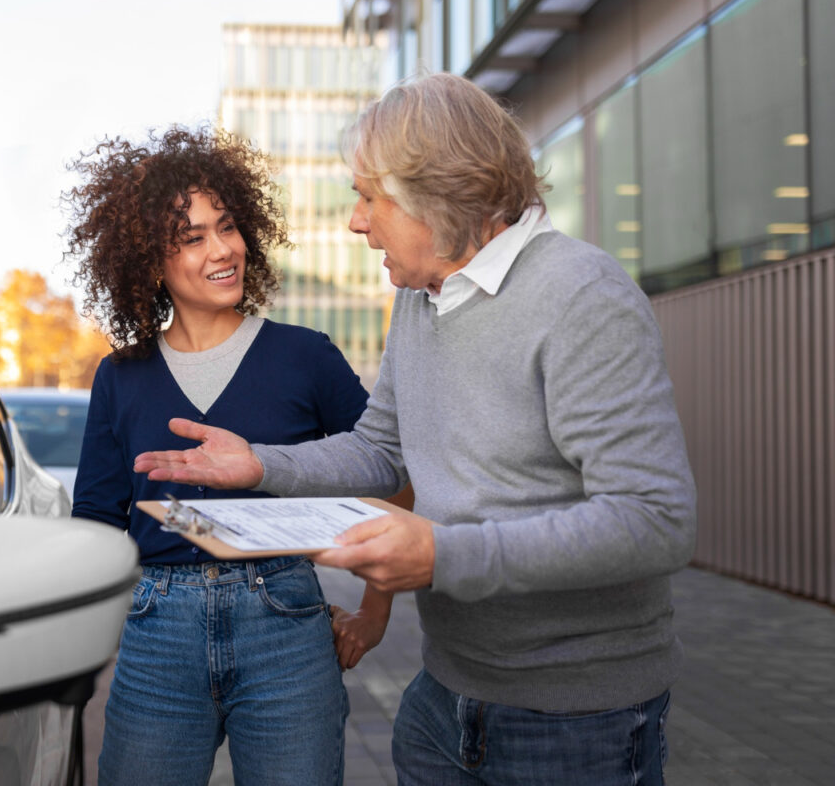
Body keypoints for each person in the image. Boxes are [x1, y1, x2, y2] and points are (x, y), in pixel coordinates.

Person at [134, 74, 697, 786]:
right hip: (443, 699)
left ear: (438, 194)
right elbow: (380, 449)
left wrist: (443, 557)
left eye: (370, 196)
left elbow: (655, 521)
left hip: (574, 720)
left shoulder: (583, 297)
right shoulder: (422, 299)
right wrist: (261, 465)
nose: (356, 222)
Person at [63, 125, 393, 786]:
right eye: (193, 238)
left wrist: (373, 612)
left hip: (285, 625)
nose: (223, 250)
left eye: (228, 227)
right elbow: (97, 522)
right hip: (157, 631)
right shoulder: (120, 376)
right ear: (148, 263)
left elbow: (391, 473)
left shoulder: (306, 357)